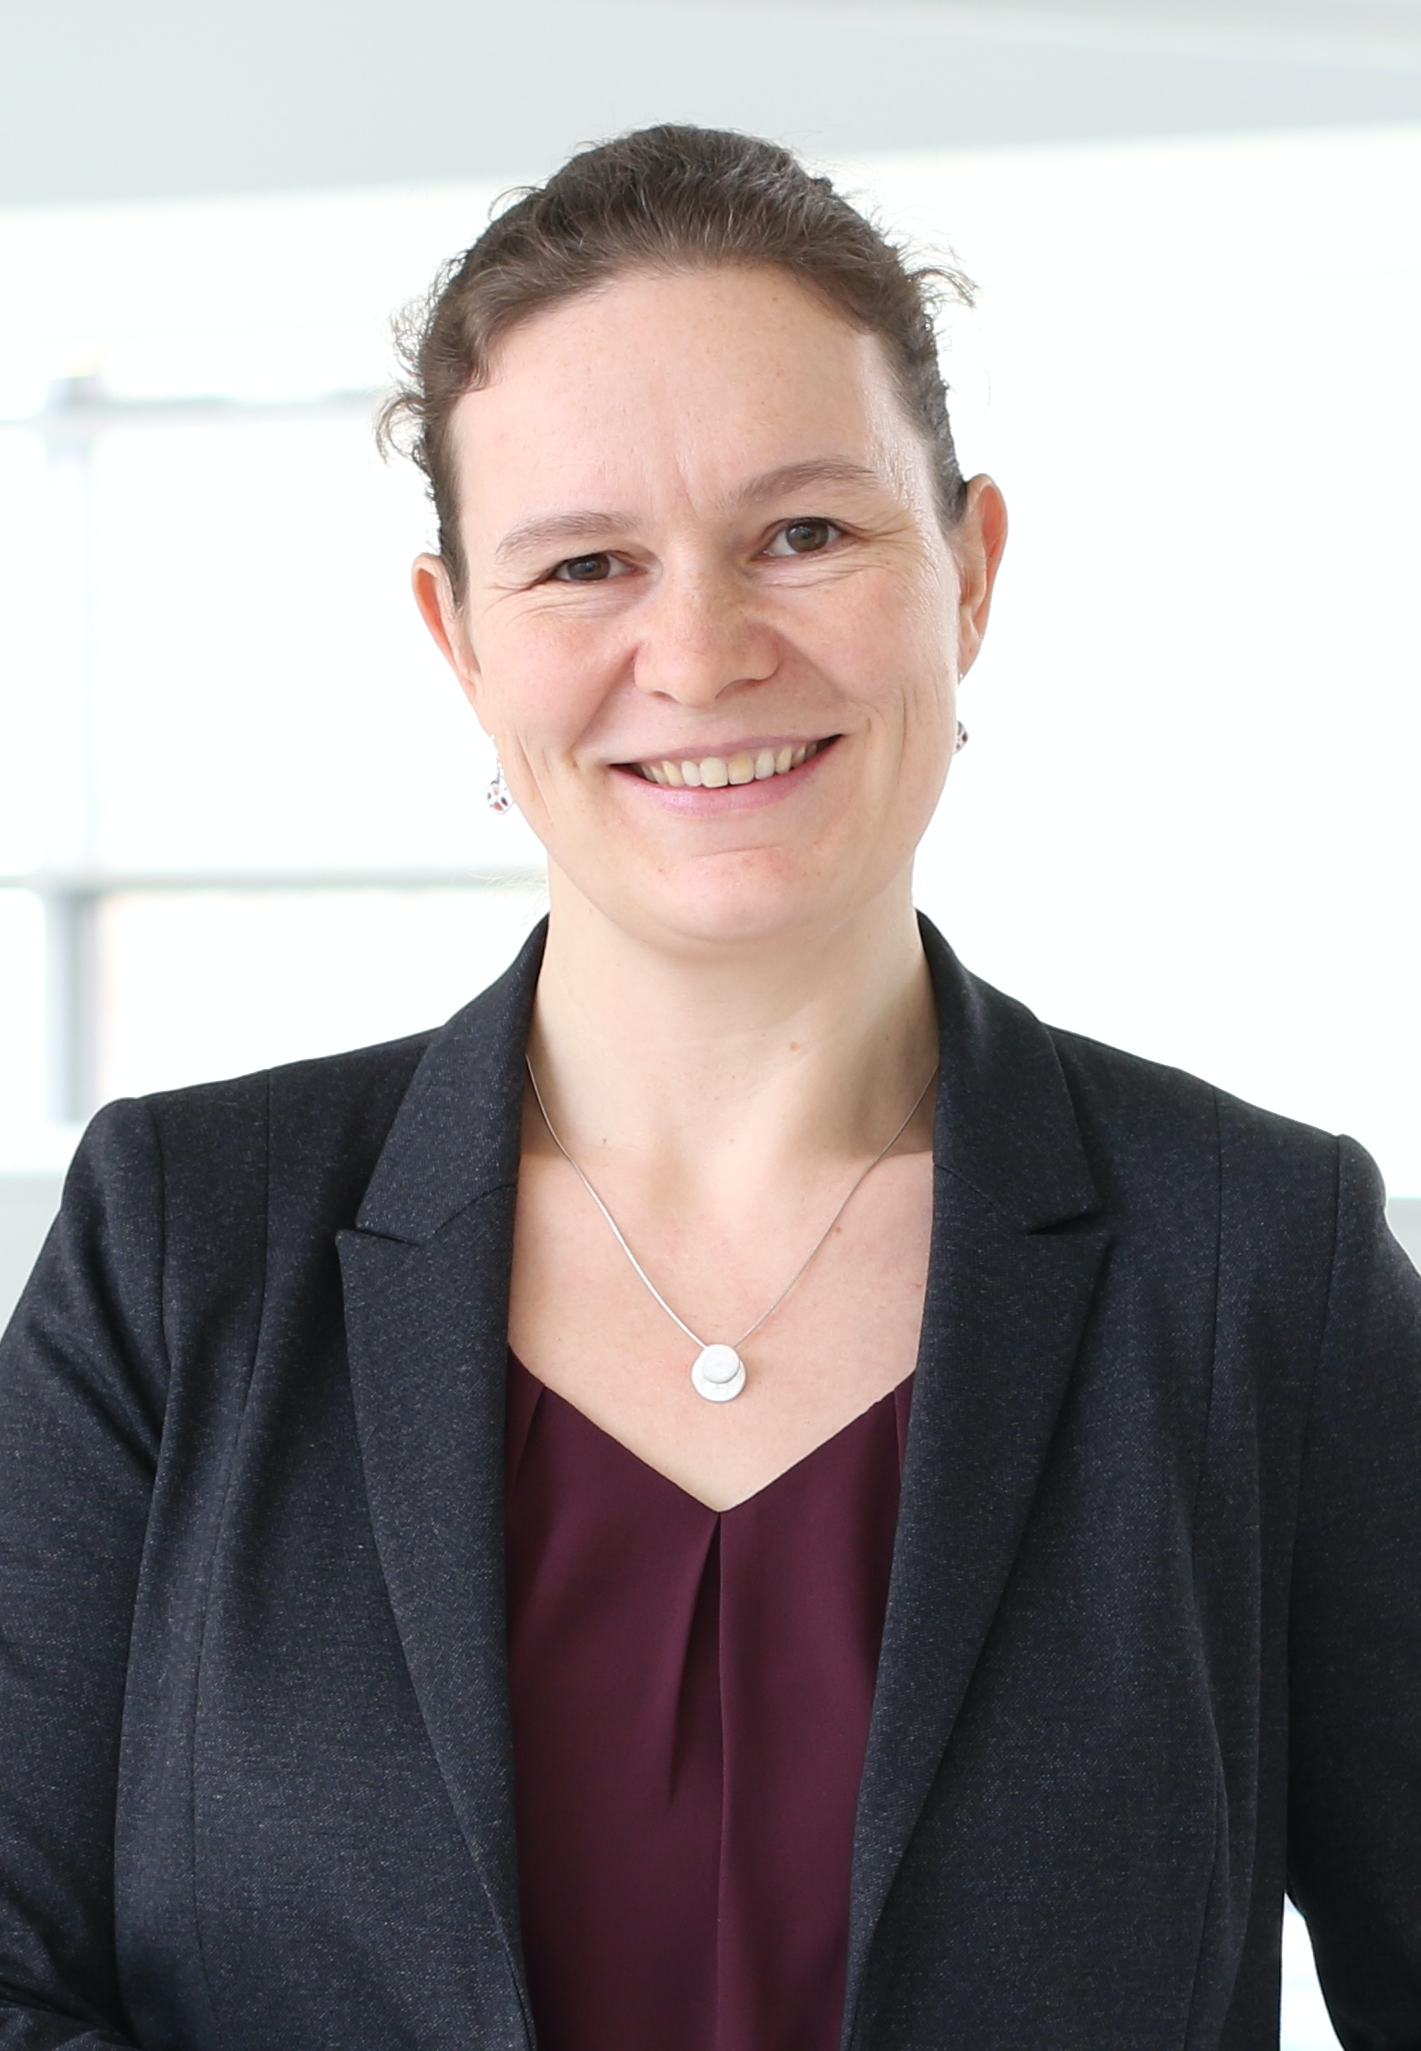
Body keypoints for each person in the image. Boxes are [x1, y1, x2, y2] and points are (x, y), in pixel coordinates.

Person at [1, 123, 1419, 2051]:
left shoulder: (1264, 1263)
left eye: (806, 534)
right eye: (587, 563)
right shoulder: (179, 1249)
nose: (704, 649)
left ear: (971, 572)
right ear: (462, 640)